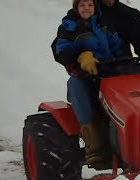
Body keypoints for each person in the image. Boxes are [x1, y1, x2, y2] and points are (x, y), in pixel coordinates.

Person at [51, 0, 126, 165]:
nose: (86, 8)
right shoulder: (69, 26)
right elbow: (61, 51)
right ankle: (94, 143)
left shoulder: (104, 24)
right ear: (76, 7)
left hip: (109, 73)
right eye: (82, 5)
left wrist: (123, 62)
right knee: (74, 84)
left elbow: (117, 47)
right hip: (85, 77)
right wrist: (80, 57)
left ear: (95, 7)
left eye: (90, 5)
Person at [98, 0, 140, 83]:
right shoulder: (86, 10)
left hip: (124, 68)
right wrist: (81, 56)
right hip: (94, 71)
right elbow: (79, 37)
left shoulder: (127, 14)